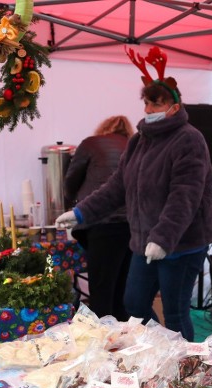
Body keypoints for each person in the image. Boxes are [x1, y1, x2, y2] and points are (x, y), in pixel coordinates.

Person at [55, 47, 212, 341]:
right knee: (134, 304)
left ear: (175, 106)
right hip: (144, 242)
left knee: (176, 311)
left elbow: (185, 196)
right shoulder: (139, 141)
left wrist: (163, 239)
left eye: (158, 104)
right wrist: (80, 213)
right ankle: (158, 350)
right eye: (147, 104)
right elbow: (117, 187)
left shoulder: (189, 140)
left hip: (181, 244)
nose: (150, 110)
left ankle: (183, 370)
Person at [64, 115, 135, 320]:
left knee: (102, 293)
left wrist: (72, 204)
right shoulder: (134, 146)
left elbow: (71, 180)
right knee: (122, 292)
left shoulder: (91, 144)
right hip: (132, 225)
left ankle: (103, 345)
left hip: (101, 223)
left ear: (103, 128)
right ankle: (122, 344)